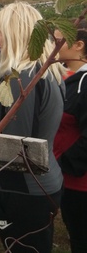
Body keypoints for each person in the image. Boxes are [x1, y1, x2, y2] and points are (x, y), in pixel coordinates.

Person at [0, 1, 65, 253]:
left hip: (21, 190)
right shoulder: (46, 71)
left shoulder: (22, 81)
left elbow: (15, 149)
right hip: (41, 183)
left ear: (13, 34)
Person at [54, 20, 87, 253]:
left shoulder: (84, 84)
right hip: (69, 179)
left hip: (80, 183)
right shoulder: (68, 79)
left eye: (57, 41)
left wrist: (61, 162)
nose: (51, 46)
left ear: (78, 45)